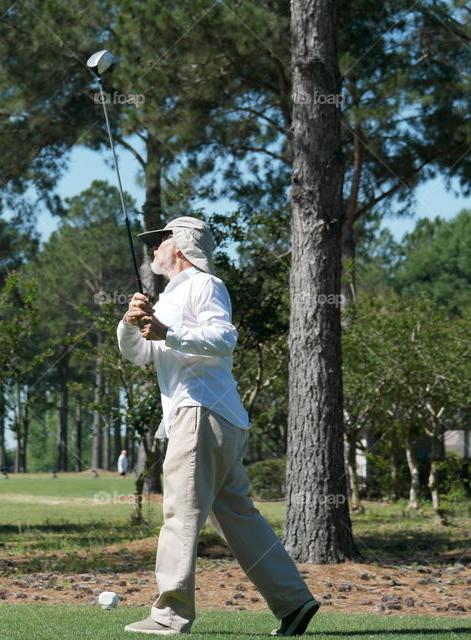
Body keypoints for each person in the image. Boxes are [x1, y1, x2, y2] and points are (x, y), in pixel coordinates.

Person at [117, 216, 319, 637]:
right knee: (239, 519)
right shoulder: (171, 295)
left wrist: (169, 332)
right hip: (212, 417)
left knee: (179, 515)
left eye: (160, 240)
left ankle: (169, 616)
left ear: (180, 246)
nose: (152, 248)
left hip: (200, 413)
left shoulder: (204, 284)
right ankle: (295, 602)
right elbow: (140, 355)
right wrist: (130, 324)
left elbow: (224, 337)